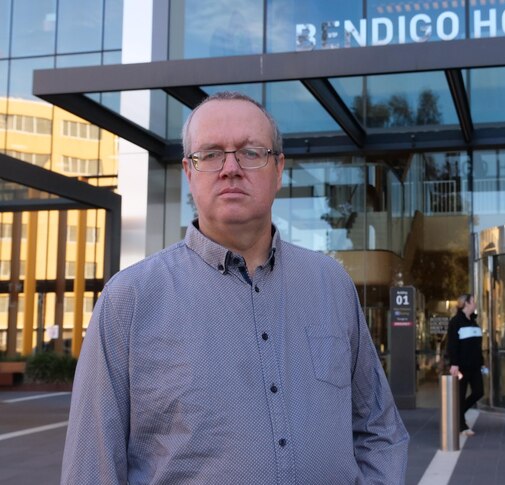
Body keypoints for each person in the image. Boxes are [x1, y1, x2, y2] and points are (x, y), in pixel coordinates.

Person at [61, 92, 409, 484]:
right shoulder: (129, 300)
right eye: (210, 154)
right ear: (189, 172)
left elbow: (379, 427)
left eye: (250, 152)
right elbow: (92, 467)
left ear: (278, 169)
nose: (230, 168)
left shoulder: (332, 284)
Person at [447, 293, 484, 436]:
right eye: (473, 301)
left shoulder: (474, 322)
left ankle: (458, 414)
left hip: (475, 366)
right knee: (460, 395)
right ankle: (461, 425)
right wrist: (454, 364)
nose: (475, 304)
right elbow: (452, 345)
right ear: (466, 303)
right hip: (461, 367)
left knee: (479, 392)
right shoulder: (456, 322)